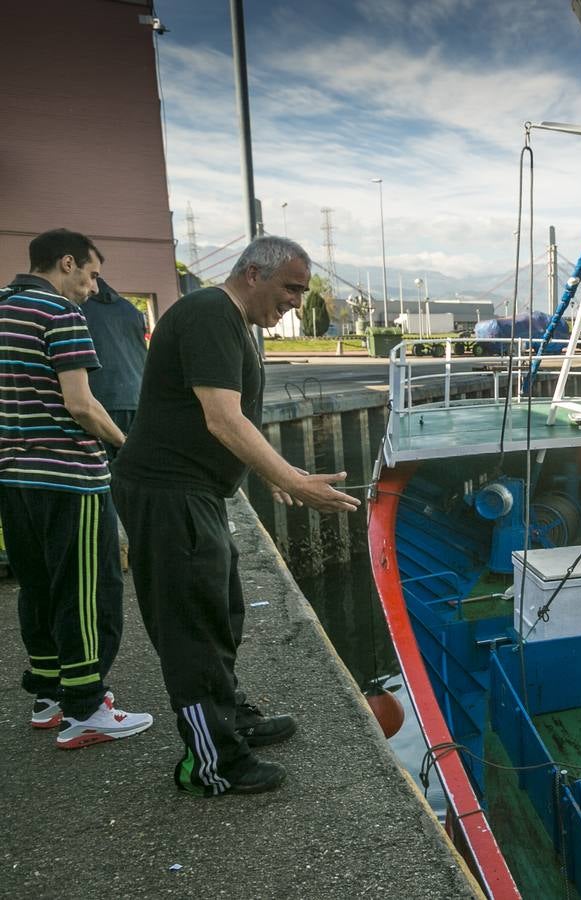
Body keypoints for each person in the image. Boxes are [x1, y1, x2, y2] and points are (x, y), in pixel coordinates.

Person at [113, 236, 359, 796]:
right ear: (253, 272)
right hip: (167, 493)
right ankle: (212, 762)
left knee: (223, 611)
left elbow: (224, 424)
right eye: (291, 287)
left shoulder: (230, 322)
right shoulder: (207, 314)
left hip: (194, 493)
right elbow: (223, 419)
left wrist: (271, 474)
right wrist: (289, 477)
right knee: (191, 626)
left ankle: (229, 718)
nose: (298, 300)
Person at [0, 229, 152, 748]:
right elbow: (82, 404)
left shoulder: (3, 308)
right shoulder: (61, 314)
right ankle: (86, 708)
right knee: (88, 591)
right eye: (89, 275)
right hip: (70, 477)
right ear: (67, 263)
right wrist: (125, 446)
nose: (91, 289)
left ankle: (47, 696)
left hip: (13, 478)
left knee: (37, 586)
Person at [79, 276, 148, 460]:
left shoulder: (77, 309)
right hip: (137, 398)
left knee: (103, 470)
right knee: (132, 468)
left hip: (100, 401)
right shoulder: (131, 309)